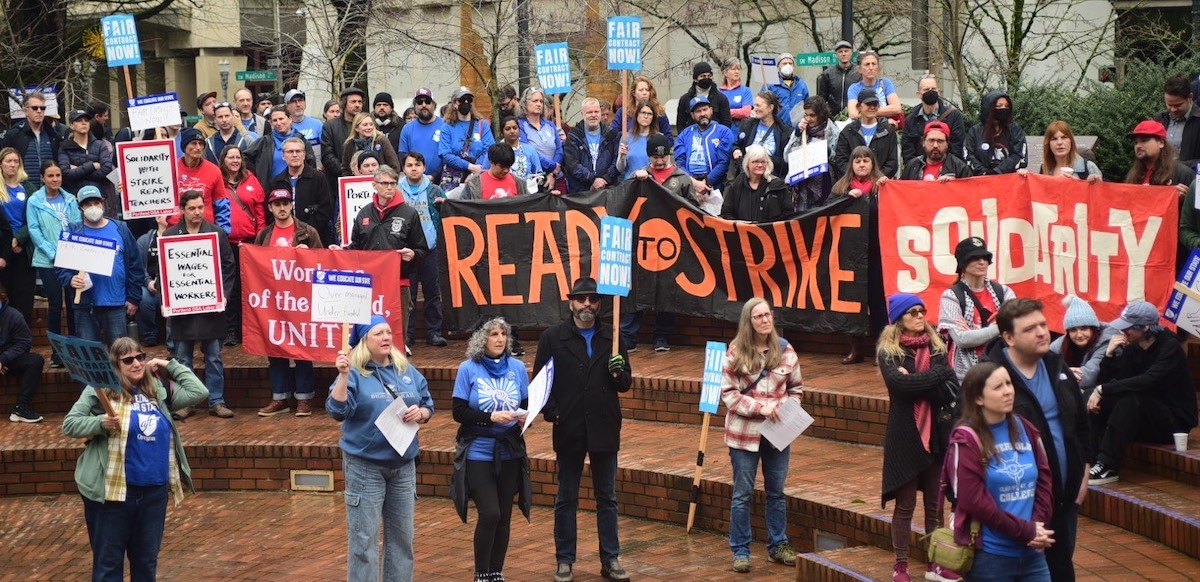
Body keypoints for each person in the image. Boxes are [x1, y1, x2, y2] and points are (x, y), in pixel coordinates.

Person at [61, 337, 209, 581]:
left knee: (145, 563)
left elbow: (199, 391)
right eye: (128, 360)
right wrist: (100, 423)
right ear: (116, 365)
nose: (137, 364)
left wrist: (166, 364)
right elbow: (70, 424)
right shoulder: (101, 389)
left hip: (153, 492)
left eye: (140, 357)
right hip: (113, 494)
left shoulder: (158, 390)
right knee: (108, 565)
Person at [985, 298, 1090, 581]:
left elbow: (1081, 424)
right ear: (1009, 337)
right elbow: (966, 441)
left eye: (1043, 324)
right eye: (1030, 328)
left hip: (1064, 501)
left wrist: (1084, 471)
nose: (1043, 332)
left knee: (1060, 570)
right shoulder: (989, 377)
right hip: (1014, 509)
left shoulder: (1058, 367)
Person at [535, 277, 632, 582]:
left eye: (592, 299)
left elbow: (625, 383)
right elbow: (540, 384)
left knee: (607, 498)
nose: (587, 304)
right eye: (581, 299)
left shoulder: (613, 337)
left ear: (600, 304)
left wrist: (618, 373)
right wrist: (554, 413)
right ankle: (565, 560)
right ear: (571, 302)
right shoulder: (552, 337)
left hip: (604, 426)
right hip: (570, 428)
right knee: (566, 498)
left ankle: (611, 558)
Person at [327, 314, 433, 582]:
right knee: (364, 543)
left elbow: (428, 405)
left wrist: (419, 413)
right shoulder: (354, 373)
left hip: (403, 466)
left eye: (388, 332)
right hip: (365, 468)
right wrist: (342, 376)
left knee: (402, 541)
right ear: (364, 341)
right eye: (378, 333)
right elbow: (337, 410)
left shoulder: (406, 370)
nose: (386, 337)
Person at [942, 361, 1056, 582]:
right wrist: (1026, 531)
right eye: (998, 387)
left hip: (1033, 553)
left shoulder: (1026, 428)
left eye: (1009, 384)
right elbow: (974, 501)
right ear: (978, 398)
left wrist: (1037, 528)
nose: (1008, 391)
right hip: (991, 558)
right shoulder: (965, 438)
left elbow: (1044, 480)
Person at [876, 293, 959, 582]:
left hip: (936, 435)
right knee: (906, 505)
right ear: (899, 319)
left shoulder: (937, 346)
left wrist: (915, 381)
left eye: (922, 310)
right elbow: (899, 386)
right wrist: (930, 379)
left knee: (934, 506)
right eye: (912, 312)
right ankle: (900, 564)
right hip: (905, 438)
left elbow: (949, 380)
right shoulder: (889, 351)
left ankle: (935, 561)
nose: (920, 316)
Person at [719, 297, 803, 573]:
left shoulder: (785, 349)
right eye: (759, 316)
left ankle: (778, 545)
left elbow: (796, 389)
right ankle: (740, 550)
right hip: (744, 434)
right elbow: (729, 395)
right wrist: (760, 408)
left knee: (776, 491)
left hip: (778, 433)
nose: (765, 320)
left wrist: (786, 410)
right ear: (749, 321)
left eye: (768, 315)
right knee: (743, 493)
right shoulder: (735, 352)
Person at [450, 317, 532, 582]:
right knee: (491, 513)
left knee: (505, 515)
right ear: (481, 339)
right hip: (478, 451)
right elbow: (458, 411)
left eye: (503, 334)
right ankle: (481, 573)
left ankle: (496, 571)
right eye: (493, 334)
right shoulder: (468, 368)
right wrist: (490, 418)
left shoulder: (518, 368)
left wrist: (524, 417)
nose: (499, 339)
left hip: (509, 450)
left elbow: (527, 404)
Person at [1087, 301, 1198, 485]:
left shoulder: (1170, 347)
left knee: (1130, 398)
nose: (1123, 332)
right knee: (1093, 396)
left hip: (1173, 422)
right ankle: (1087, 459)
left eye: (1128, 328)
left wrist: (1104, 389)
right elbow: (1113, 383)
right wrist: (1108, 356)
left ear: (1145, 327)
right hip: (1144, 416)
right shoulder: (1133, 347)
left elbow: (1148, 380)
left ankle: (1108, 465)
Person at [160, 190, 236, 419]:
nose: (197, 212)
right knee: (183, 358)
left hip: (212, 308)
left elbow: (229, 267)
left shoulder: (216, 232)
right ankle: (186, 401)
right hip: (182, 310)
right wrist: (166, 300)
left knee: (214, 356)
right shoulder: (171, 235)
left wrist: (224, 295)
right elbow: (164, 272)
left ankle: (217, 401)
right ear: (182, 209)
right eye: (192, 208)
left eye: (200, 207)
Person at [340, 165, 429, 355]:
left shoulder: (409, 214)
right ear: (374, 185)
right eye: (385, 183)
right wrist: (339, 252)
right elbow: (356, 248)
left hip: (398, 283)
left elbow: (422, 249)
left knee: (396, 337)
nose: (390, 187)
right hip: (368, 284)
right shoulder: (364, 213)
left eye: (393, 183)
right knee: (368, 335)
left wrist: (413, 254)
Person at [255, 188, 324, 417]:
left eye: (286, 203)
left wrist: (309, 255)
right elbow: (256, 267)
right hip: (274, 301)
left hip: (301, 300)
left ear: (292, 205)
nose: (282, 208)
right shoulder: (264, 235)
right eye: (277, 204)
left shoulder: (307, 232)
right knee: (275, 348)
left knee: (302, 349)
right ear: (270, 207)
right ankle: (280, 397)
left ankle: (304, 398)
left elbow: (323, 263)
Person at [59, 185, 143, 345]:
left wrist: (133, 298)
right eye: (88, 204)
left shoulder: (121, 229)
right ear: (81, 207)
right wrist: (70, 280)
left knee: (120, 356)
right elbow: (61, 269)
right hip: (85, 306)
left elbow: (135, 266)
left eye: (96, 203)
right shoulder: (73, 232)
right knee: (89, 355)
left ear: (103, 203)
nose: (93, 207)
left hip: (117, 304)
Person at [830, 147, 888, 364]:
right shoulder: (840, 188)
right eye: (857, 162)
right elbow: (827, 213)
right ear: (851, 165)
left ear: (872, 163)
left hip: (876, 254)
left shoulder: (883, 186)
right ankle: (856, 348)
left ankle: (881, 348)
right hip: (850, 256)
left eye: (865, 161)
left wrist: (885, 191)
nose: (862, 165)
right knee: (853, 303)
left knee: (878, 303)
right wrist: (845, 200)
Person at [938, 236, 1016, 380]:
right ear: (963, 263)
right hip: (967, 378)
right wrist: (1000, 327)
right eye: (975, 258)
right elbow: (962, 340)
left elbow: (1016, 329)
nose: (982, 262)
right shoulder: (951, 296)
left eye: (985, 258)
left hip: (1004, 370)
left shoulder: (1004, 292)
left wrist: (975, 334)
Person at [27, 160, 79, 367]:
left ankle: (76, 350)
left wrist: (71, 250)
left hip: (72, 257)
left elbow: (76, 225)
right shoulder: (34, 201)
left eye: (58, 175)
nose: (55, 179)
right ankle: (57, 353)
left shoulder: (70, 199)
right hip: (48, 261)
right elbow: (34, 230)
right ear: (42, 178)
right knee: (56, 305)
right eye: (51, 176)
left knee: (74, 304)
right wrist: (53, 253)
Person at [396, 152, 448, 348]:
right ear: (403, 169)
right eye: (409, 165)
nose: (414, 168)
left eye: (417, 164)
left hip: (430, 247)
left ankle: (433, 332)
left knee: (432, 292)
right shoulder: (398, 191)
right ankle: (407, 335)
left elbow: (448, 213)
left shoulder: (435, 190)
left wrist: (445, 206)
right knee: (407, 293)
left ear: (424, 167)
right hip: (406, 249)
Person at [218, 143, 266, 343]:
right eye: (231, 157)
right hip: (225, 243)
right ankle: (231, 329)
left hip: (248, 242)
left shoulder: (251, 179)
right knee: (230, 287)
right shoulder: (217, 181)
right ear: (223, 160)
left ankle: (250, 330)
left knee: (249, 287)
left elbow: (260, 212)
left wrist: (260, 238)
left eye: (238, 157)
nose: (235, 161)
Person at [269, 136, 333, 245]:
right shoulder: (277, 182)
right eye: (290, 151)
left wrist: (305, 232)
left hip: (314, 239)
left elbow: (326, 210)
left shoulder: (319, 178)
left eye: (298, 151)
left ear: (304, 154)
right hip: (285, 240)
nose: (294, 155)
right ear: (283, 156)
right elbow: (271, 212)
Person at [0, 147, 36, 325]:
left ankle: (24, 341)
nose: (12, 165)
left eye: (16, 161)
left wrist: (19, 237)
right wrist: (8, 243)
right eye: (8, 161)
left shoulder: (28, 187)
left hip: (24, 248)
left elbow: (35, 219)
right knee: (7, 296)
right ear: (1, 164)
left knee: (24, 299)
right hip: (2, 251)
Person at [245, 105, 318, 192]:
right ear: (271, 123)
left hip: (299, 190)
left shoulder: (302, 141)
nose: (278, 123)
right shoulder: (264, 142)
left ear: (290, 119)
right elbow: (245, 158)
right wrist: (259, 172)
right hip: (272, 192)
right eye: (275, 120)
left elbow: (311, 164)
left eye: (281, 119)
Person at [785, 96, 839, 212]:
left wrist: (827, 152)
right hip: (801, 184)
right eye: (806, 115)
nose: (808, 119)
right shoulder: (801, 130)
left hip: (823, 183)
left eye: (812, 115)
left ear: (821, 115)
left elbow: (838, 158)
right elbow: (786, 156)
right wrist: (797, 135)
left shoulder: (833, 131)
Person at [831, 89, 899, 180]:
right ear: (859, 107)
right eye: (868, 104)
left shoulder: (888, 131)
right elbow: (840, 160)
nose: (872, 107)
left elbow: (892, 162)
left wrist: (876, 178)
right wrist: (856, 177)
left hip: (880, 184)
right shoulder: (847, 131)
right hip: (852, 184)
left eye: (875, 104)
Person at [2, 283, 46, 423]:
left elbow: (23, 343)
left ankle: (21, 407)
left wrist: (4, 359)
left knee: (35, 360)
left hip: (9, 358)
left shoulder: (14, 316)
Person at [674, 96, 735, 195]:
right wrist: (693, 183)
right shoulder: (685, 134)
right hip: (689, 183)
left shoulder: (723, 132)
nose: (702, 114)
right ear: (692, 115)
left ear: (711, 110)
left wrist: (706, 183)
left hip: (715, 185)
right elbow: (679, 163)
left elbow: (723, 162)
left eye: (705, 109)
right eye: (698, 111)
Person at [174, 128, 231, 233]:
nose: (198, 147)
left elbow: (222, 205)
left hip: (206, 230)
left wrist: (223, 232)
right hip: (176, 231)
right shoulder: (171, 168)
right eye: (193, 143)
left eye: (201, 144)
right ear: (184, 147)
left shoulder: (214, 170)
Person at [2, 91, 63, 189]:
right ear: (25, 111)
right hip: (22, 190)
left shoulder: (53, 135)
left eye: (42, 108)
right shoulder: (14, 134)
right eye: (35, 108)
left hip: (49, 191)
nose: (39, 111)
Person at [59, 110, 115, 215]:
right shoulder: (64, 147)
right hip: (75, 199)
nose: (84, 123)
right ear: (71, 125)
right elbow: (65, 173)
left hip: (98, 198)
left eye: (86, 120)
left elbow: (107, 169)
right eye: (79, 120)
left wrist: (78, 170)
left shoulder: (100, 145)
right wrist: (92, 165)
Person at [901, 74, 965, 165]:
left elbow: (957, 148)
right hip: (919, 172)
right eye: (926, 90)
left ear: (938, 92)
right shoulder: (911, 120)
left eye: (933, 89)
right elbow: (908, 151)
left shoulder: (954, 116)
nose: (930, 92)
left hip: (947, 172)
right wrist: (916, 171)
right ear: (919, 94)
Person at [439, 87, 495, 190]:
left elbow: (490, 149)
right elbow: (445, 154)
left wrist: (477, 168)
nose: (465, 102)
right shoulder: (447, 127)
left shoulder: (482, 125)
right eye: (462, 100)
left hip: (478, 174)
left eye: (468, 100)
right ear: (455, 103)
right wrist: (469, 166)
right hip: (453, 178)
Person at [963, 91, 1027, 176]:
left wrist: (998, 171)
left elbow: (1019, 154)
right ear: (988, 108)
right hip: (981, 181)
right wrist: (983, 172)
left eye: (1006, 106)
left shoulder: (1015, 130)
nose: (1004, 109)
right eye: (999, 106)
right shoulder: (975, 131)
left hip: (1008, 181)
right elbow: (967, 155)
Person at [1124, 120, 1193, 197]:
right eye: (1136, 142)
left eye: (1144, 140)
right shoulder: (1134, 174)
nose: (1138, 146)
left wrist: (1185, 200)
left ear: (1161, 143)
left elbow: (1195, 205)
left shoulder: (1182, 173)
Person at [721, 144, 789, 222]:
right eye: (755, 161)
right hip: (743, 232)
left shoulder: (777, 185)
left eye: (763, 162)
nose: (760, 165)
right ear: (747, 163)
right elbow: (727, 212)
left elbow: (787, 214)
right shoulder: (738, 184)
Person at [564, 97, 619, 193]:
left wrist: (605, 180)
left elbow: (616, 160)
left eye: (596, 112)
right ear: (583, 114)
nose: (593, 115)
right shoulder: (574, 136)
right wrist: (592, 179)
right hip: (580, 192)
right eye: (589, 112)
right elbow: (572, 164)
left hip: (606, 190)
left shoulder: (610, 134)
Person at [629, 133, 699, 205]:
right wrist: (635, 176)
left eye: (663, 157)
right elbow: (627, 198)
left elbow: (694, 206)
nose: (659, 162)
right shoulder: (641, 175)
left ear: (668, 155)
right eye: (655, 158)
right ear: (649, 156)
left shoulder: (682, 177)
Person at [732, 92, 788, 179]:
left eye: (758, 106)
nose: (755, 109)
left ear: (770, 108)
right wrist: (736, 150)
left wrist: (763, 159)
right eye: (755, 105)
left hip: (770, 179)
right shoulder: (747, 125)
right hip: (747, 178)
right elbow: (736, 144)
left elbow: (784, 161)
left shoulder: (783, 131)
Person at [518, 87, 564, 192]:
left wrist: (553, 172)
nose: (539, 104)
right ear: (525, 103)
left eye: (541, 101)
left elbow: (559, 149)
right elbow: (527, 151)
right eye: (535, 101)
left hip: (556, 176)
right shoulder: (520, 125)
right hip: (534, 179)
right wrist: (551, 166)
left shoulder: (550, 125)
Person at [135, 215, 170, 350]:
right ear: (157, 218)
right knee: (144, 298)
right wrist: (148, 282)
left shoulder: (179, 236)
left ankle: (173, 340)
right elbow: (138, 266)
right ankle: (150, 335)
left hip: (171, 286)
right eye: (165, 213)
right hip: (149, 285)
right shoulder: (144, 240)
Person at [321, 87, 367, 187]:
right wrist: (346, 173)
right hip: (339, 182)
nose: (357, 105)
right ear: (344, 104)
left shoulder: (369, 124)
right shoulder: (330, 126)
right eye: (353, 102)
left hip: (367, 181)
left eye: (360, 102)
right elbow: (327, 155)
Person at [1030, 121, 1102, 182]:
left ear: (1071, 141)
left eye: (1064, 137)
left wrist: (1083, 185)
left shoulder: (1089, 167)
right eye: (1054, 139)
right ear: (1048, 144)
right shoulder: (1044, 169)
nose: (1059, 142)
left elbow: (1101, 195)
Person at [900, 121, 971, 181]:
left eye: (940, 141)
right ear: (923, 143)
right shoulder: (912, 166)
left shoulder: (960, 168)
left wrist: (954, 185)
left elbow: (969, 192)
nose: (935, 145)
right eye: (931, 140)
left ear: (947, 144)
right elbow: (900, 191)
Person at [397, 88, 443, 180]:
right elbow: (403, 156)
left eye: (427, 101)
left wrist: (434, 175)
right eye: (419, 102)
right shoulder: (407, 128)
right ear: (415, 106)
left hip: (440, 180)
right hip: (414, 181)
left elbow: (447, 155)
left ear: (434, 105)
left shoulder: (445, 126)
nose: (424, 105)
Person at [676, 61, 733, 133]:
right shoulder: (685, 99)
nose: (706, 78)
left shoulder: (721, 98)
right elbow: (680, 124)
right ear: (695, 79)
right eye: (703, 76)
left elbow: (726, 123)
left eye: (709, 76)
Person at [1155, 75, 1200, 165]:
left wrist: (1178, 168)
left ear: (1190, 97)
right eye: (1169, 105)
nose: (1173, 110)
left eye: (1178, 105)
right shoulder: (1159, 119)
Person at [846, 50, 902, 120]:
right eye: (867, 64)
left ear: (878, 68)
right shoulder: (854, 88)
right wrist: (883, 111)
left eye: (874, 64)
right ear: (859, 69)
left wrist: (865, 112)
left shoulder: (885, 83)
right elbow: (853, 114)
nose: (871, 68)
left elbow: (897, 108)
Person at [341, 112, 402, 177]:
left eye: (371, 124)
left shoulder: (381, 140)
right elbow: (345, 169)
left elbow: (395, 166)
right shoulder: (350, 144)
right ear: (356, 128)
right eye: (365, 125)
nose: (369, 127)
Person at [461, 144, 532, 200]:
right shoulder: (473, 183)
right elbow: (463, 207)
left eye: (508, 166)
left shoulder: (520, 184)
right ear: (491, 162)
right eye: (502, 166)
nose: (506, 170)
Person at [613, 100, 660, 181]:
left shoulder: (659, 138)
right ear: (637, 114)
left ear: (653, 117)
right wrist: (622, 156)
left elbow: (664, 165)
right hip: (630, 185)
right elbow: (620, 169)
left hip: (652, 185)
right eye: (643, 112)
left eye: (649, 114)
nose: (646, 116)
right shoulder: (626, 137)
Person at [495, 116, 544, 188]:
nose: (512, 131)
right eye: (508, 129)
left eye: (515, 128)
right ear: (502, 132)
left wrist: (536, 180)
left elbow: (539, 173)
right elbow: (486, 172)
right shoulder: (495, 150)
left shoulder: (530, 150)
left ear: (519, 130)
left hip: (527, 193)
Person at [816, 40, 861, 116]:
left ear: (851, 53)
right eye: (840, 52)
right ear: (836, 54)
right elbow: (822, 98)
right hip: (833, 117)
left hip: (854, 116)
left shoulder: (859, 72)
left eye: (846, 51)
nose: (843, 54)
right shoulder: (828, 73)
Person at [763, 53, 809, 127]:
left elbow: (808, 106)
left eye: (790, 63)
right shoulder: (770, 85)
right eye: (784, 63)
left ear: (793, 66)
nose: (787, 66)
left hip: (797, 128)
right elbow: (763, 105)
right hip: (777, 127)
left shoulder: (801, 85)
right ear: (778, 66)